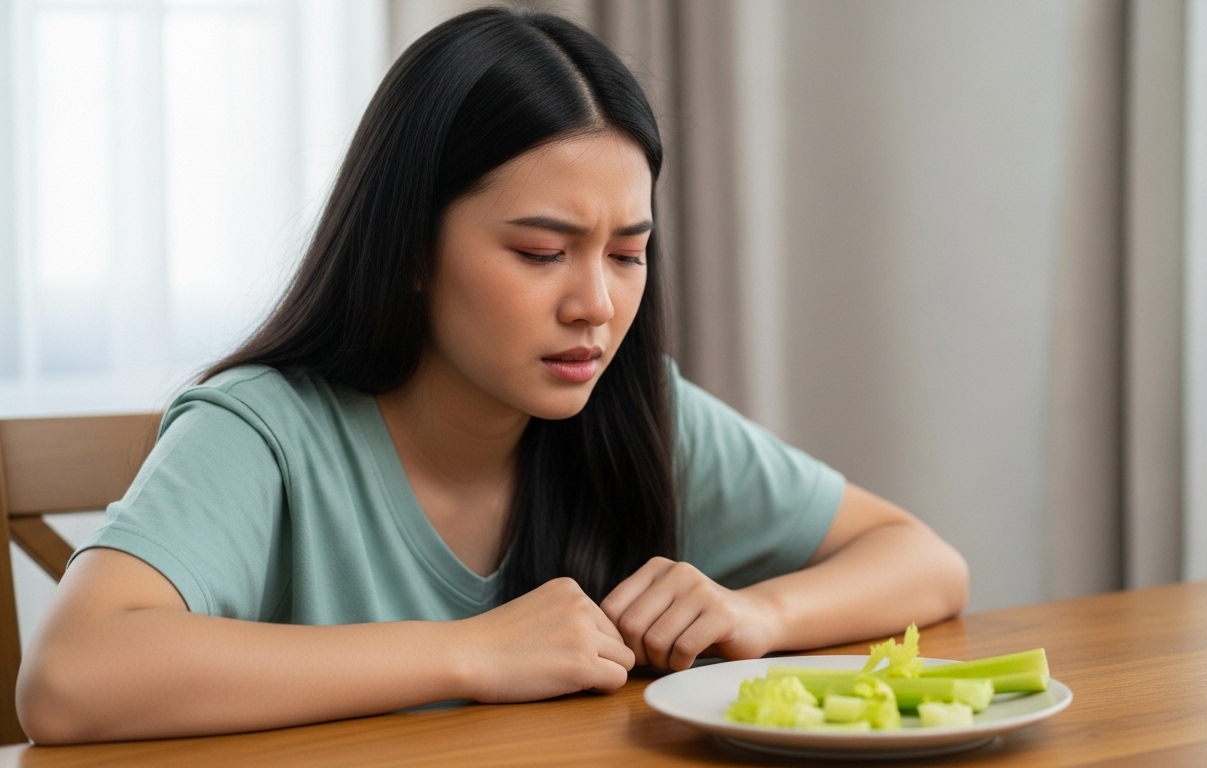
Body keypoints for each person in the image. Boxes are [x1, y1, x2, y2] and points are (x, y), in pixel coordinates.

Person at [16, 7, 968, 744]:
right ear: (411, 246)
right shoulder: (263, 429)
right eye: (542, 252)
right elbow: (70, 677)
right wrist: (470, 651)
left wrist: (758, 613)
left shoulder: (632, 407)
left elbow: (924, 562)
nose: (596, 304)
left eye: (627, 254)